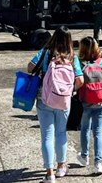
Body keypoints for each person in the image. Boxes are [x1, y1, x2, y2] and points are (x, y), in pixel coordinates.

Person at [27, 26, 84, 183]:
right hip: (64, 100)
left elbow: (30, 67)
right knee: (61, 133)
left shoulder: (46, 53)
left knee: (47, 135)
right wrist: (69, 90)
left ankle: (49, 173)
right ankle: (61, 167)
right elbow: (80, 80)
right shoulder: (72, 57)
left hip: (45, 99)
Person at [76, 36, 102, 175]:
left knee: (85, 129)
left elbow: (77, 81)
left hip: (86, 102)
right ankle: (98, 163)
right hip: (101, 102)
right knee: (98, 132)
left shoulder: (80, 63)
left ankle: (84, 156)